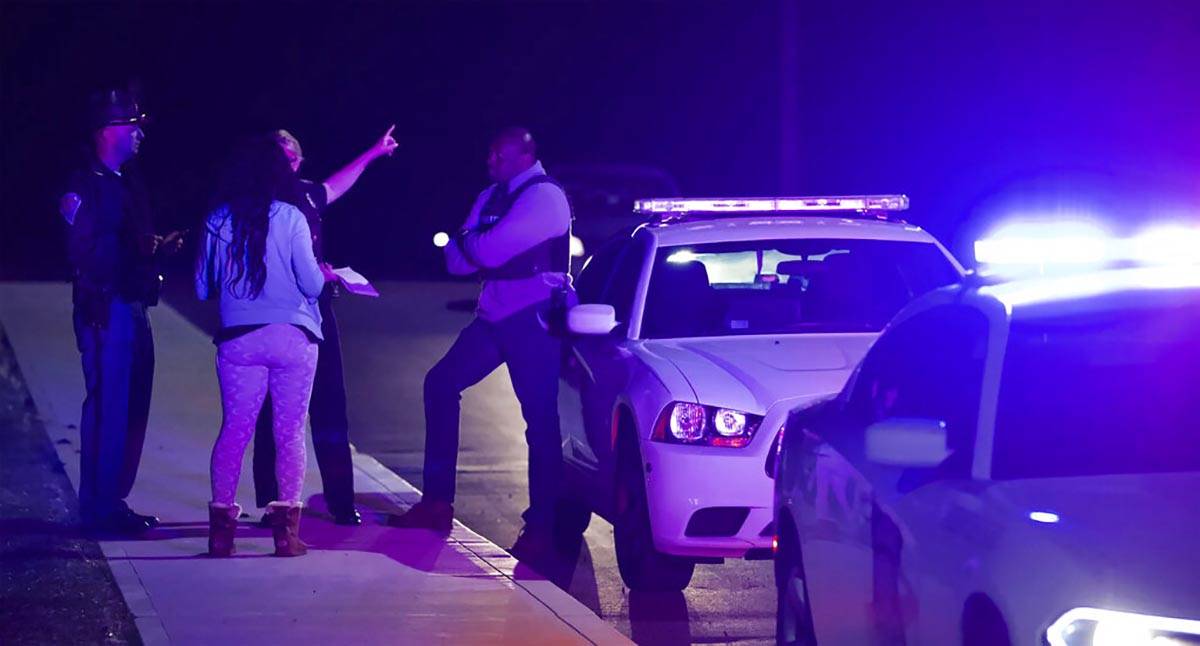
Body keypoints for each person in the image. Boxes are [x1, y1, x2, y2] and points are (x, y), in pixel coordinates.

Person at [390, 127, 573, 561]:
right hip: (493, 317)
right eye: (490, 152)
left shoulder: (545, 197)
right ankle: (437, 503)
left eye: (498, 154)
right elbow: (456, 261)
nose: (489, 160)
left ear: (525, 155)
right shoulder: (492, 195)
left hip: (534, 321)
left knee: (540, 422)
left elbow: (482, 252)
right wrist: (478, 245)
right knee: (440, 385)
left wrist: (474, 242)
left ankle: (543, 527)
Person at [250, 127, 397, 526]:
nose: (289, 165)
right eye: (281, 159)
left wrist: (373, 151)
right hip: (275, 314)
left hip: (315, 311)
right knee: (273, 409)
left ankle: (340, 501)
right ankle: (273, 502)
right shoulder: (254, 202)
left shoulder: (307, 194)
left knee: (330, 403)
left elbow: (336, 184)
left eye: (294, 158)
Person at [195, 136, 334, 557]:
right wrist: (325, 274)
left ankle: (221, 532)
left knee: (234, 431)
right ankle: (285, 535)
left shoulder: (217, 219)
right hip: (293, 338)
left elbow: (203, 288)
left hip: (239, 341)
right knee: (290, 433)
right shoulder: (292, 217)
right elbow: (311, 284)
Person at [60, 89, 184, 534]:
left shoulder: (124, 182)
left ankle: (111, 501)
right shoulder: (85, 184)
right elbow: (85, 253)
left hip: (129, 305)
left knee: (130, 406)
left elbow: (119, 246)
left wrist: (151, 251)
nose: (140, 134)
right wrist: (132, 257)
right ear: (106, 132)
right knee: (110, 407)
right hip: (107, 309)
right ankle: (100, 509)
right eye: (132, 126)